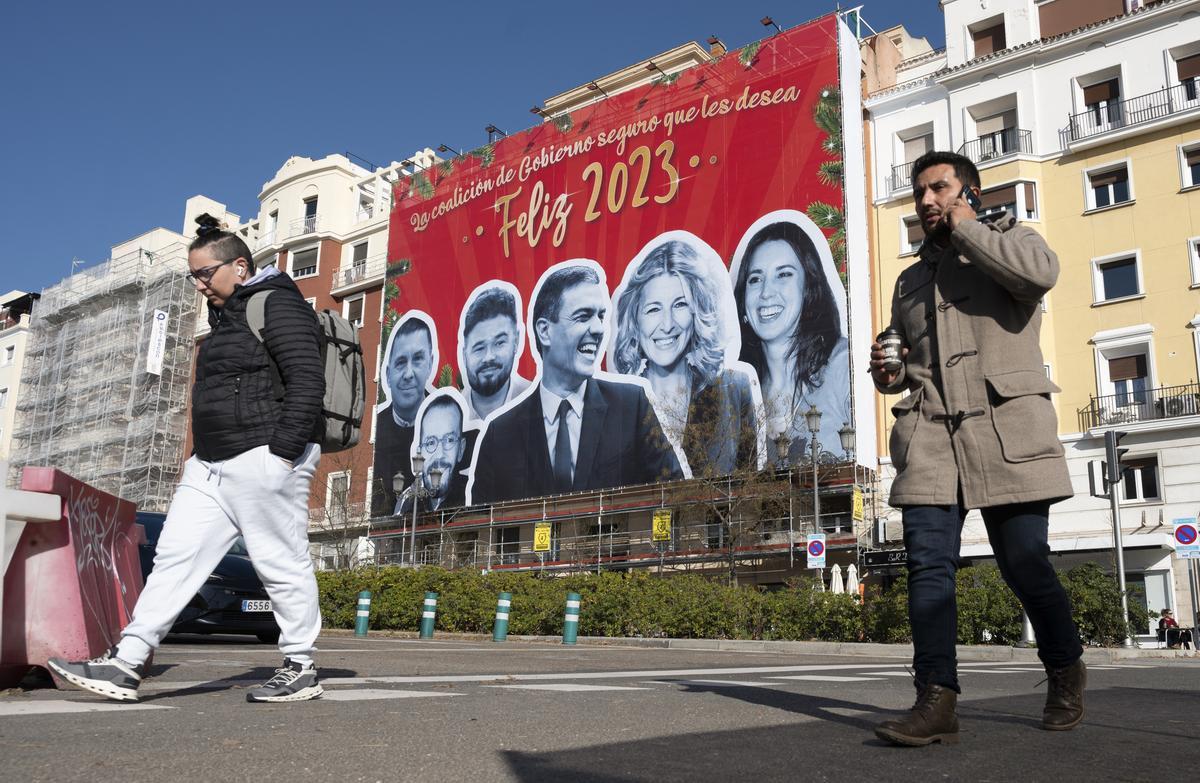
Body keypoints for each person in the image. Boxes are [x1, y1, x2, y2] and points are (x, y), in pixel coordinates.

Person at [48, 214, 327, 703]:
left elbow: (307, 380)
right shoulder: (226, 319)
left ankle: (301, 665)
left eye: (205, 274)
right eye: (193, 276)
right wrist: (199, 456)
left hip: (264, 454)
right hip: (210, 463)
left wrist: (281, 455)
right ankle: (127, 664)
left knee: (279, 562)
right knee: (174, 560)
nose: (199, 285)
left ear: (239, 266)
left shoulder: (277, 304)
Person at [870, 151, 1085, 746]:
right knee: (927, 568)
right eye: (920, 193)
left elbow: (1039, 276)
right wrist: (888, 374)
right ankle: (936, 701)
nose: (926, 201)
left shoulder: (1012, 240)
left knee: (1025, 563)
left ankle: (1066, 669)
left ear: (969, 192)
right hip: (932, 433)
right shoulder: (910, 280)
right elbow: (907, 362)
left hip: (1004, 429)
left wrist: (968, 228)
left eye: (939, 188)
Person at [469, 262, 683, 505]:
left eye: (601, 316)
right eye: (583, 316)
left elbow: (677, 497)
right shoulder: (500, 435)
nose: (598, 328)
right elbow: (479, 530)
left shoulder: (632, 407)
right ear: (544, 331)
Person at [611, 239, 757, 476]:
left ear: (696, 311)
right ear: (634, 319)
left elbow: (752, 491)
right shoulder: (616, 410)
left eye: (680, 304)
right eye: (654, 309)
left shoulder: (735, 389)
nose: (667, 325)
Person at [732, 219, 849, 466]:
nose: (766, 292)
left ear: (809, 287)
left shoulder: (842, 365)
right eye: (755, 279)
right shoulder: (734, 393)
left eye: (783, 274)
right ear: (743, 300)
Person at [373, 314, 435, 516]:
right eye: (401, 362)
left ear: (430, 364)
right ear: (388, 374)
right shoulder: (377, 426)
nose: (408, 374)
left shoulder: (445, 421)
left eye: (417, 359)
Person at [459, 284, 531, 422]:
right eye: (479, 348)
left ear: (516, 341)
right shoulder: (449, 418)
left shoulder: (540, 404)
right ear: (464, 355)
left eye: (499, 343)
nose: (489, 357)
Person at [398, 391, 470, 514]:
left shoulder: (473, 495)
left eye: (449, 440)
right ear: (419, 453)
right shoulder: (409, 503)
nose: (439, 455)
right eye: (431, 442)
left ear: (460, 450)